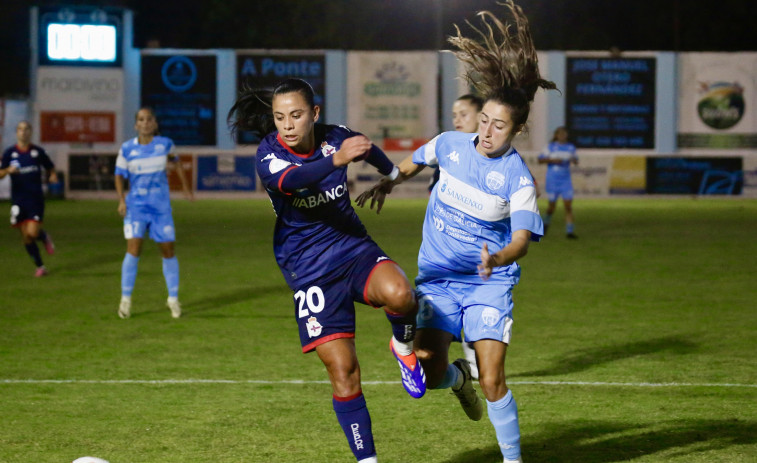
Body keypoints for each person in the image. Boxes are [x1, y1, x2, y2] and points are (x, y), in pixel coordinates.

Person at [356, 2, 554, 461]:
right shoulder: (451, 143)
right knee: (426, 373)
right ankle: (456, 381)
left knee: (493, 380)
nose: (486, 132)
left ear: (517, 129)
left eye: (499, 126)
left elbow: (522, 240)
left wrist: (498, 258)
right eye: (483, 120)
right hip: (439, 280)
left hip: (487, 283)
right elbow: (417, 160)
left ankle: (512, 458)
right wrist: (389, 180)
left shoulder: (517, 179)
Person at [227, 78, 425, 463]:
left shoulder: (336, 136)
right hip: (308, 267)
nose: (287, 125)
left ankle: (402, 347)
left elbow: (367, 148)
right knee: (343, 370)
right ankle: (368, 460)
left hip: (351, 246)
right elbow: (292, 180)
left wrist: (390, 178)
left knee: (402, 295)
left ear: (314, 114)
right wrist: (336, 160)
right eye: (280, 117)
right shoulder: (269, 155)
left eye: (296, 115)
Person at [115, 107, 193, 319]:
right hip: (136, 207)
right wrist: (122, 200)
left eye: (149, 119)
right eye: (141, 119)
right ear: (136, 125)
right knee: (133, 249)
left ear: (155, 123)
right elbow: (119, 176)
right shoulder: (127, 149)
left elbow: (177, 164)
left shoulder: (165, 144)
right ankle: (126, 299)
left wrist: (185, 188)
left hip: (160, 208)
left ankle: (173, 299)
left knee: (168, 251)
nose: (146, 122)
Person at [0, 121, 58, 277]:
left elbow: (50, 167)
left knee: (32, 233)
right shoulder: (9, 153)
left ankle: (43, 236)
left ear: (30, 132)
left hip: (35, 198)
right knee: (26, 237)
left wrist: (52, 175)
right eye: (20, 129)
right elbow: (0, 174)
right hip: (18, 200)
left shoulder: (37, 152)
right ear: (16, 132)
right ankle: (40, 267)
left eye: (26, 129)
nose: (23, 132)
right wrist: (7, 170)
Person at [538, 126, 578, 238]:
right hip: (553, 180)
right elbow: (540, 159)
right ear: (556, 135)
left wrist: (573, 160)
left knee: (568, 206)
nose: (563, 136)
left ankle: (570, 232)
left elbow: (575, 160)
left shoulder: (570, 147)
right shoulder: (550, 147)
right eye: (560, 134)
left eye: (564, 134)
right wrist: (553, 160)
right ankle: (545, 226)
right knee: (551, 207)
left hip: (566, 180)